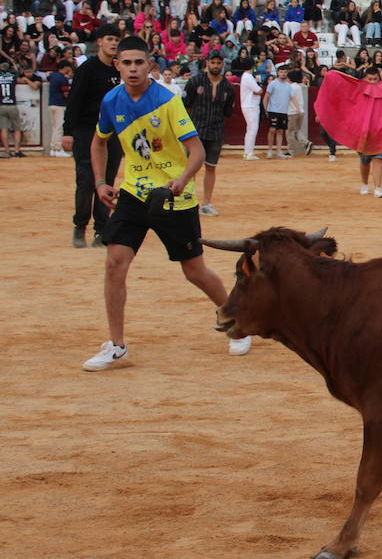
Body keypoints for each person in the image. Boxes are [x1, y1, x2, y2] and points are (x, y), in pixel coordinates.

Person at [80, 37, 252, 371]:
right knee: (115, 262)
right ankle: (117, 347)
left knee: (194, 270)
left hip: (175, 198)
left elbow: (197, 151)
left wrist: (182, 181)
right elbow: (98, 143)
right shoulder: (110, 101)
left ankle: (236, 321)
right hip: (133, 192)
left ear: (150, 66)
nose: (132, 69)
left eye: (138, 63)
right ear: (117, 65)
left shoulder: (168, 101)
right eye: (126, 63)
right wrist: (101, 183)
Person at [62, 30, 122, 247]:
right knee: (87, 181)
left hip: (113, 134)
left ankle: (101, 230)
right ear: (99, 42)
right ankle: (80, 227)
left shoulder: (120, 70)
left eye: (116, 40)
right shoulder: (87, 69)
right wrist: (68, 131)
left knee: (107, 181)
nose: (113, 43)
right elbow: (74, 101)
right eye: (110, 39)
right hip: (87, 131)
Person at [182, 52, 235, 216]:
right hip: (195, 131)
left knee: (211, 167)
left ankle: (206, 202)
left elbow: (227, 112)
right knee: (190, 168)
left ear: (222, 64)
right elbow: (185, 106)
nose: (216, 66)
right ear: (207, 63)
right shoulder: (195, 81)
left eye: (219, 63)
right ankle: (188, 200)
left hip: (215, 131)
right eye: (213, 62)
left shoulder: (228, 87)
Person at [354, 66, 382, 198]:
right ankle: (364, 184)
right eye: (370, 79)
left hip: (379, 130)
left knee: (378, 159)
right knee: (365, 161)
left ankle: (378, 188)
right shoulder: (359, 89)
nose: (373, 82)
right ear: (365, 79)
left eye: (375, 79)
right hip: (363, 130)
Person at [264, 66, 293, 159]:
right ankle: (270, 150)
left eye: (284, 72)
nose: (283, 73)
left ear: (287, 73)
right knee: (272, 130)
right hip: (273, 110)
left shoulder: (289, 86)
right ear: (278, 73)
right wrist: (265, 109)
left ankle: (278, 151)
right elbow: (266, 96)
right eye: (281, 72)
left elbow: (291, 98)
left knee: (280, 131)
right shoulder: (273, 84)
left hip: (283, 111)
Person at [46, 60, 73, 156]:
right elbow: (66, 94)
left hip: (51, 104)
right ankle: (57, 149)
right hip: (59, 105)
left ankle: (53, 149)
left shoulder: (53, 75)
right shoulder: (63, 79)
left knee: (55, 127)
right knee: (59, 127)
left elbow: (48, 77)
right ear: (65, 67)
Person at [238, 66, 262, 160]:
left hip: (249, 105)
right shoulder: (248, 76)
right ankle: (248, 153)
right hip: (251, 105)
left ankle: (247, 153)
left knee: (251, 129)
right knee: (252, 129)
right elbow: (259, 90)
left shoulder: (246, 76)